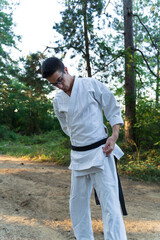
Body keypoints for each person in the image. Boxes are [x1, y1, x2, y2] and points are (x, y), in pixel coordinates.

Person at [41, 57, 127, 240]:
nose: (59, 86)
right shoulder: (58, 101)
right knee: (77, 205)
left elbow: (113, 107)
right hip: (78, 155)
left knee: (110, 204)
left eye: (60, 80)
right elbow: (67, 128)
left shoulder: (90, 85)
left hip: (101, 151)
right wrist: (81, 140)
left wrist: (113, 136)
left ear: (65, 69)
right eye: (54, 84)